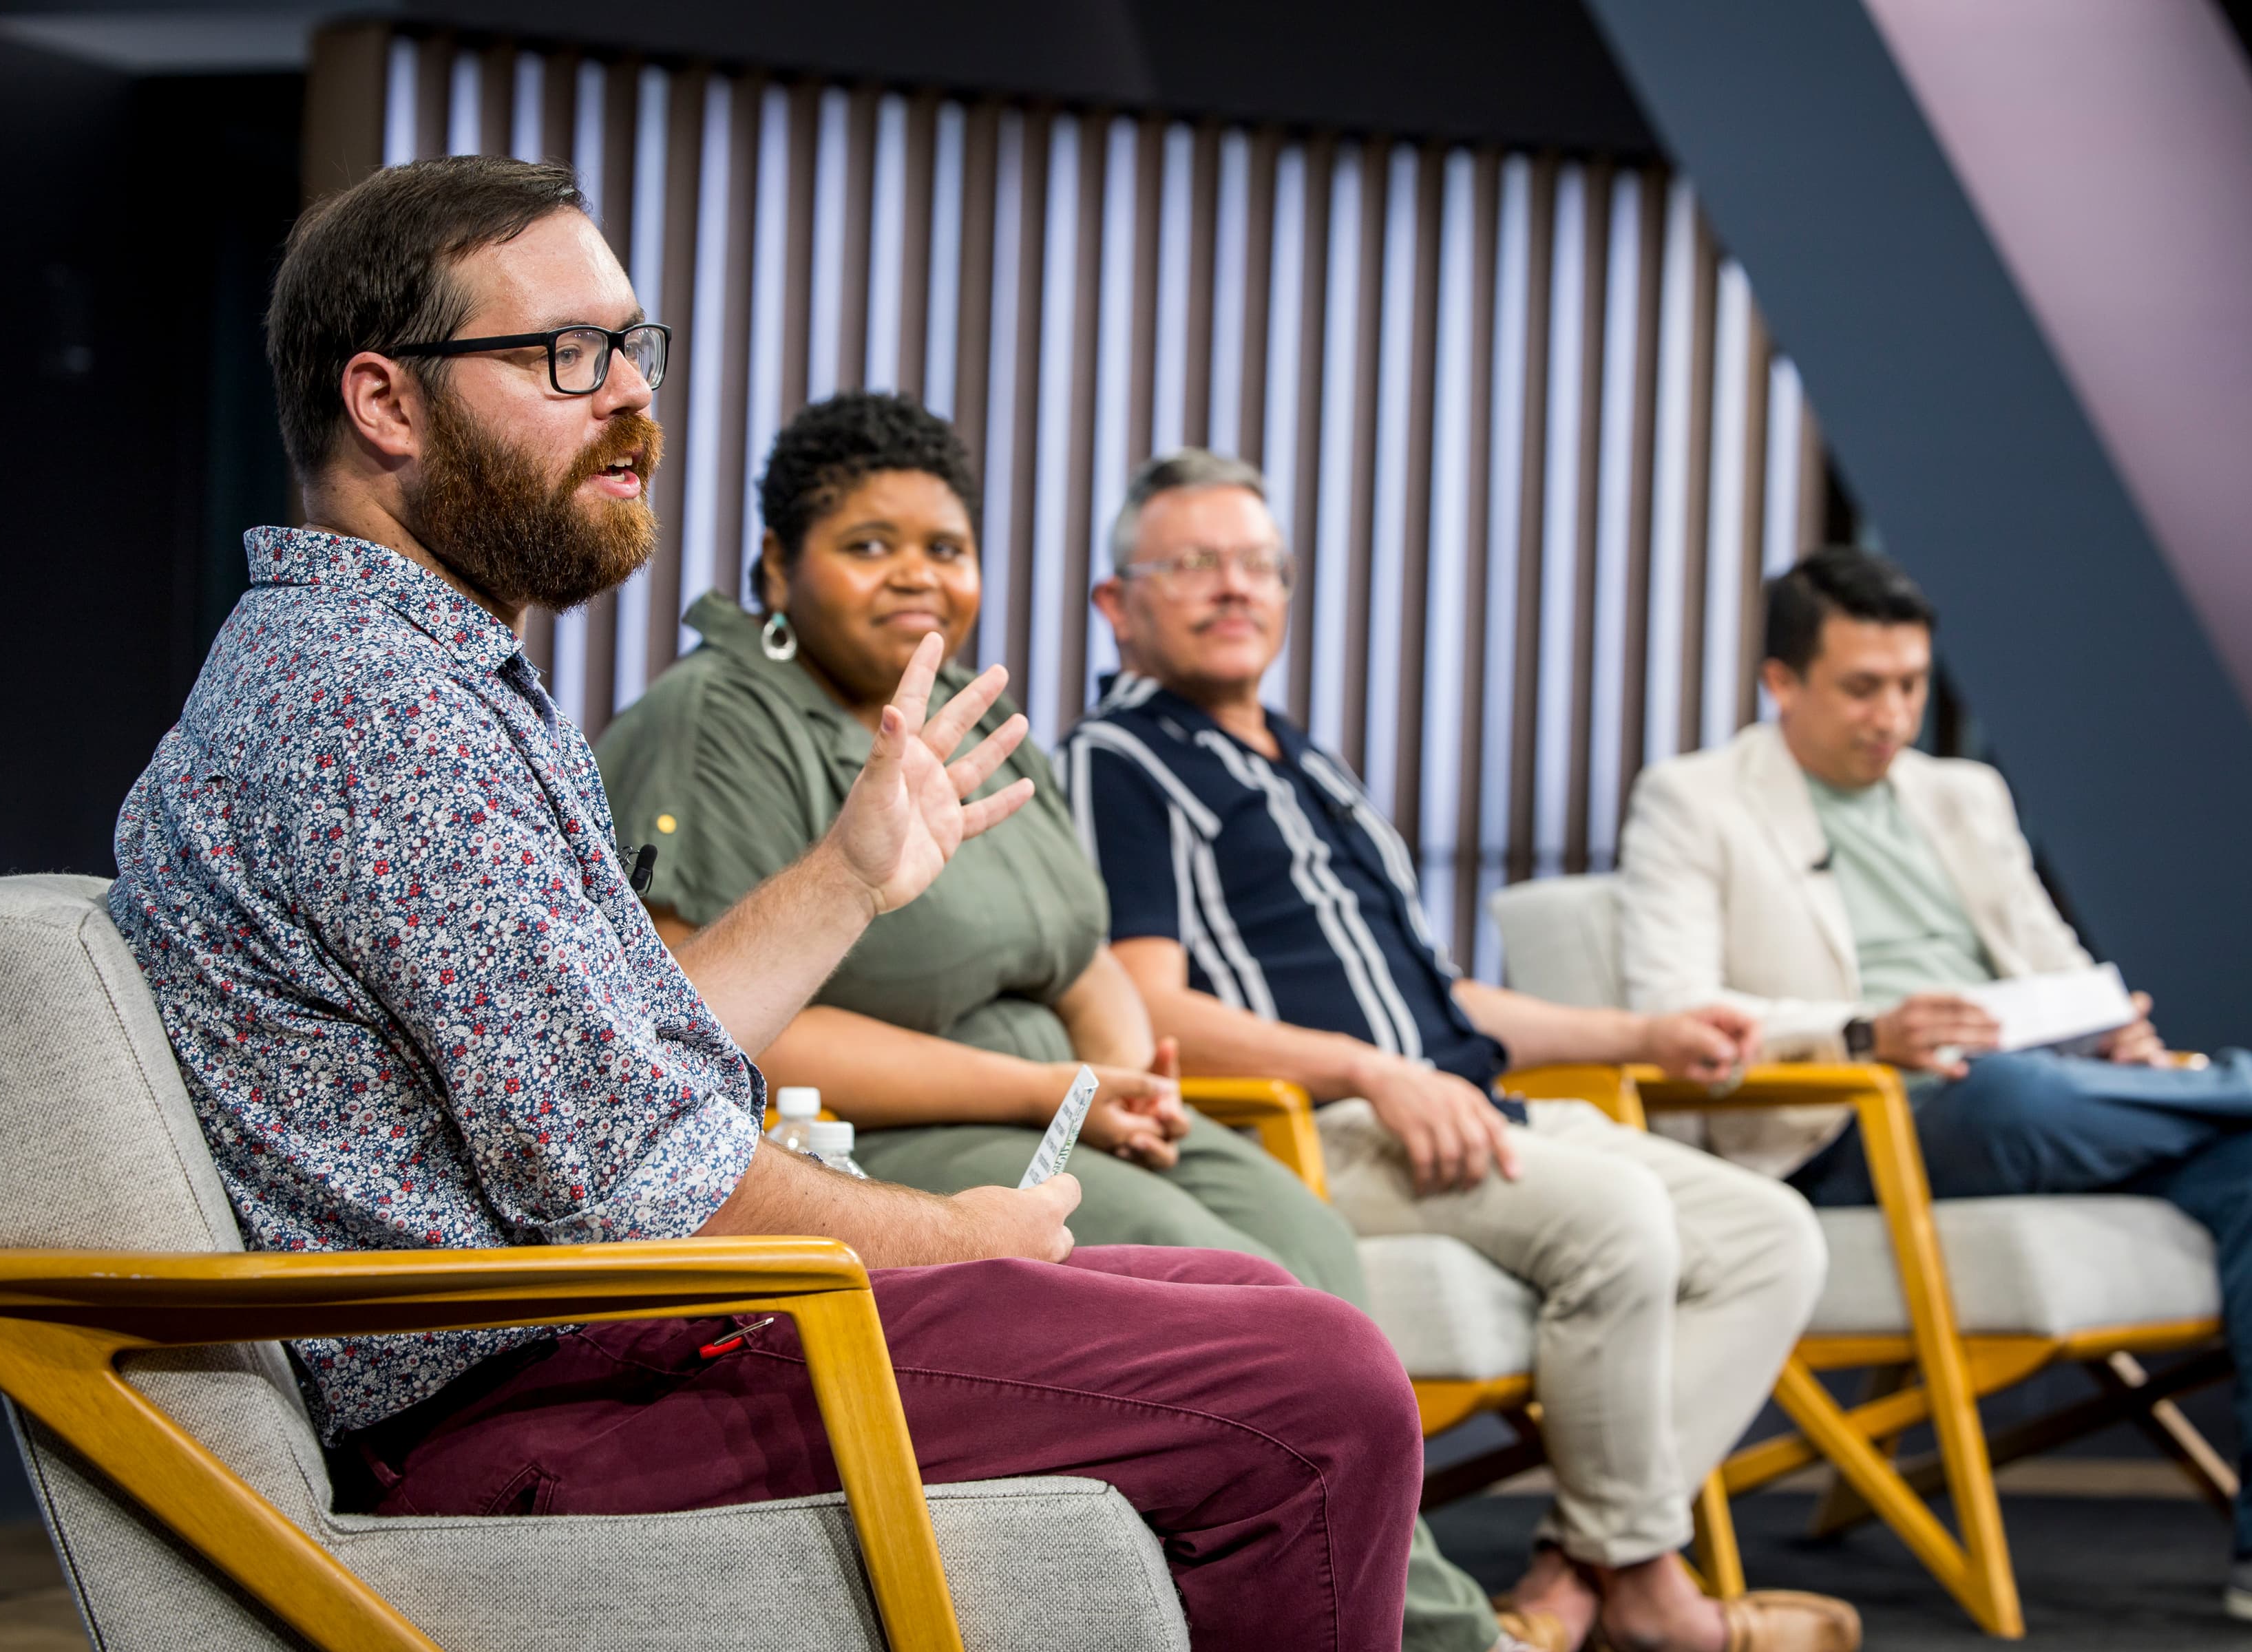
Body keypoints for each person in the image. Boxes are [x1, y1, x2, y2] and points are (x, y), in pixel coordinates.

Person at [106, 155, 1422, 1651]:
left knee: (1244, 1296)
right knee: (1320, 1389)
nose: (629, 397)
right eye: (564, 353)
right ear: (384, 403)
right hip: (531, 1403)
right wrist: (956, 1236)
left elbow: (631, 1062)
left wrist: (852, 874)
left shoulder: (409, 673)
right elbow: (645, 1186)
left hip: (610, 1346)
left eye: (631, 346)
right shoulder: (372, 714)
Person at [597, 390, 1525, 1652]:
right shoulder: (718, 721)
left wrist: (1129, 1080)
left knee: (1302, 1231)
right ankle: (1442, 1631)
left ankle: (1374, 1608)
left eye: (947, 547)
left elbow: (1082, 951)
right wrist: (1048, 1092)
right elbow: (713, 1033)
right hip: (872, 1138)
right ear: (777, 567)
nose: (918, 575)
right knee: (1203, 1265)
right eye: (869, 545)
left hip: (1072, 1108)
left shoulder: (965, 721)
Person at [1064, 450, 1864, 1652]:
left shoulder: (1312, 765)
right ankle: (1651, 1591)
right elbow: (1145, 1007)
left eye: (1259, 564)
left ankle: (1585, 1571)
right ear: (1117, 604)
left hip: (1461, 1100)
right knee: (1619, 1223)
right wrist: (1372, 1071)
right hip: (1319, 1129)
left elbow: (1442, 998)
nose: (1235, 587)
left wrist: (1644, 1034)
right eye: (1194, 563)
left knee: (1771, 1237)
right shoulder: (1116, 761)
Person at [1617, 544, 2252, 1641]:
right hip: (1841, 1127)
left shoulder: (1961, 795)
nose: (1893, 716)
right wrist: (1868, 1030)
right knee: (2010, 1095)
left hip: (2032, 1088)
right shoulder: (1693, 800)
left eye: (1911, 685)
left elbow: (2048, 959)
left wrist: (2110, 1030)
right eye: (1862, 688)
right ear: (1782, 682)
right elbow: (1671, 1009)